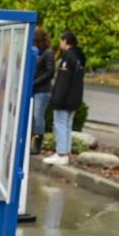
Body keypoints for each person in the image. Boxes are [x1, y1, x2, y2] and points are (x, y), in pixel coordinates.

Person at [45, 30, 85, 166]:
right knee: (67, 125)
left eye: (61, 40)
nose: (60, 43)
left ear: (65, 41)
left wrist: (57, 99)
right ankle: (65, 152)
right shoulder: (79, 57)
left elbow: (63, 81)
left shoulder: (67, 57)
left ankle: (61, 153)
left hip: (65, 99)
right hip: (74, 98)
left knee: (60, 125)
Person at [31, 27, 56, 155]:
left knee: (38, 116)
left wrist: (35, 82)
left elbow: (50, 72)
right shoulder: (37, 52)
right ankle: (31, 141)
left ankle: (37, 144)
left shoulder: (48, 53)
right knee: (33, 116)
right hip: (34, 89)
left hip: (42, 90)